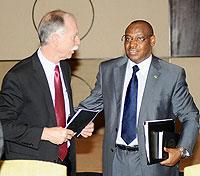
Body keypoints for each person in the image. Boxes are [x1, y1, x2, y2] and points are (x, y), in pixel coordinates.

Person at [78, 20, 199, 176]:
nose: (132, 44)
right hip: (115, 160)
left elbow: (191, 116)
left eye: (139, 38)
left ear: (152, 40)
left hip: (153, 164)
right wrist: (69, 123)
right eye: (127, 39)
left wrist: (182, 150)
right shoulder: (108, 70)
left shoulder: (171, 75)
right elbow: (90, 105)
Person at [0, 9, 94, 176]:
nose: (78, 42)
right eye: (74, 36)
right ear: (56, 39)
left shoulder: (64, 67)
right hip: (33, 166)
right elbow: (4, 127)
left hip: (66, 162)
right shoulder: (18, 77)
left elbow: (55, 109)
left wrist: (78, 126)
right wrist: (45, 133)